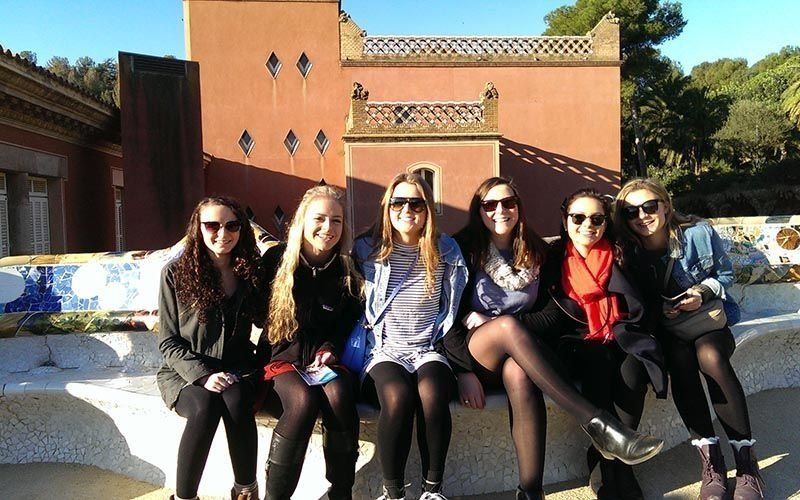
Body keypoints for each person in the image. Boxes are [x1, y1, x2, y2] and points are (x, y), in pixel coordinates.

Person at [446, 179, 665, 500]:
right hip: (474, 352)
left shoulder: (534, 250)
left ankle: (531, 491)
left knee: (520, 373)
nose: (499, 211)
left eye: (507, 202)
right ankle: (599, 425)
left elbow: (551, 315)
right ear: (477, 210)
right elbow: (446, 313)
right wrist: (461, 369)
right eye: (489, 205)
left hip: (516, 353)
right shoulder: (462, 248)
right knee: (506, 327)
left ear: (519, 207)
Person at [615, 178, 765, 500]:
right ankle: (712, 463)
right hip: (666, 330)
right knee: (680, 359)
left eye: (649, 206)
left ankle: (746, 464)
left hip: (707, 321)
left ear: (666, 206)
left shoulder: (699, 234)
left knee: (709, 356)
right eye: (631, 211)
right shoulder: (628, 252)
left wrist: (701, 292)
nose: (642, 215)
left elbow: (725, 275)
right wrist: (662, 309)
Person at [352, 173, 467, 500]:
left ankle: (433, 490)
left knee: (432, 394)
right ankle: (394, 492)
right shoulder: (366, 248)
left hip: (428, 348)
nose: (407, 210)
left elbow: (455, 303)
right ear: (386, 207)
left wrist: (466, 367)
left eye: (415, 203)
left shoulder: (445, 249)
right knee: (398, 395)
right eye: (397, 202)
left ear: (428, 208)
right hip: (384, 350)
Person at [259, 185, 363, 500]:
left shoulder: (346, 269)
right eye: (319, 219)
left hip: (325, 361)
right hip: (282, 360)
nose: (327, 228)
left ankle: (341, 491)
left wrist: (330, 346)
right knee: (303, 401)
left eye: (336, 221)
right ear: (303, 221)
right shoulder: (277, 260)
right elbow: (253, 312)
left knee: (338, 393)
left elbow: (348, 321)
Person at [157, 196, 264, 500]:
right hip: (184, 370)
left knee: (237, 399)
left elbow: (270, 320)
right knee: (205, 406)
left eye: (232, 225)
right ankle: (185, 497)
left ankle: (246, 491)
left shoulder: (249, 271)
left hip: (237, 367)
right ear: (198, 229)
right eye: (212, 225)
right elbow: (168, 340)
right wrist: (203, 375)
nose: (222, 233)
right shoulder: (175, 275)